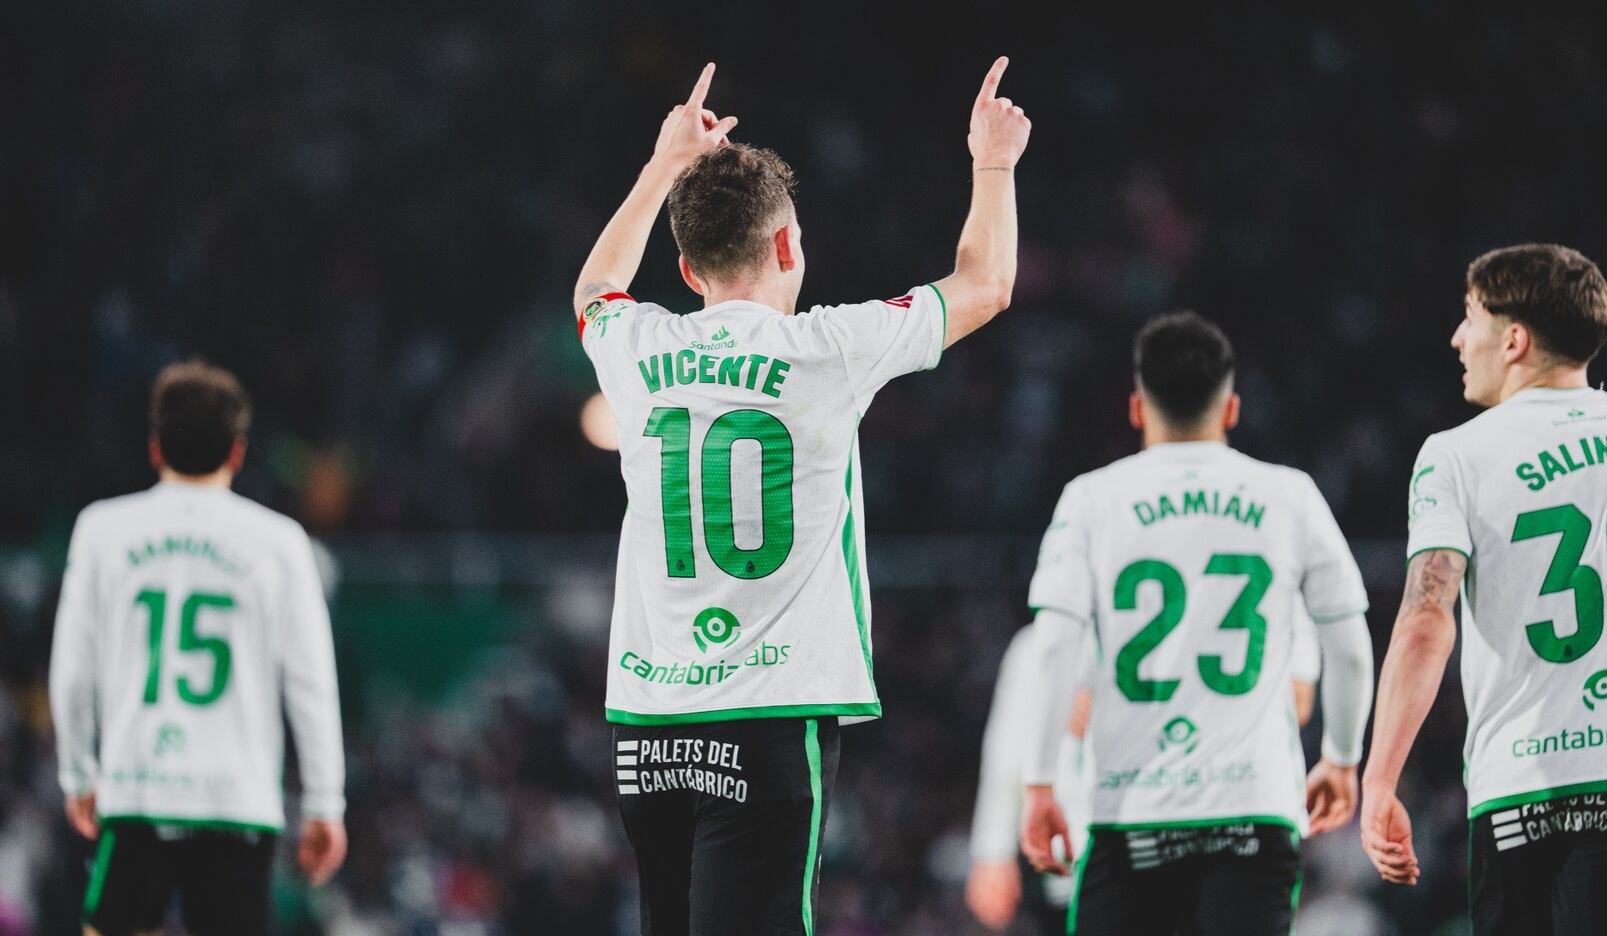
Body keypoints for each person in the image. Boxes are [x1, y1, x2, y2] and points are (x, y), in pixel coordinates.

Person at [571, 57, 1029, 935]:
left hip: (649, 726)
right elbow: (986, 285)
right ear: (787, 246)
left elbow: (595, 288)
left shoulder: (634, 346)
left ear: (688, 268)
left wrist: (661, 165)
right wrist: (993, 163)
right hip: (767, 721)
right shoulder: (828, 349)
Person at [1019, 312, 1375, 935]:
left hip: (1131, 810)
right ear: (1232, 408)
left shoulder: (1090, 499)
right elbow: (1346, 642)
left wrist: (1041, 781)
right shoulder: (1289, 496)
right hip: (1254, 808)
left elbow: (1052, 650)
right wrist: (1342, 757)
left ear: (1136, 407)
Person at [49, 361, 347, 936]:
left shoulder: (101, 529)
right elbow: (310, 683)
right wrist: (324, 803)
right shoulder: (281, 543)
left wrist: (79, 773)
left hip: (139, 788)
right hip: (237, 801)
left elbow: (73, 670)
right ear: (237, 453)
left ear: (155, 447)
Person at [1361, 244, 1607, 935]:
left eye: (1469, 318)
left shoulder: (1457, 455)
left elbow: (1423, 621)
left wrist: (1380, 778)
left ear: (1514, 339)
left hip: (1521, 790)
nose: (1457, 338)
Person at [967, 608, 1324, 933]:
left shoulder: (1197, 632)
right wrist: (992, 852)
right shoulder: (1039, 648)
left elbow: (1296, 700)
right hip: (1080, 863)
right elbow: (1006, 754)